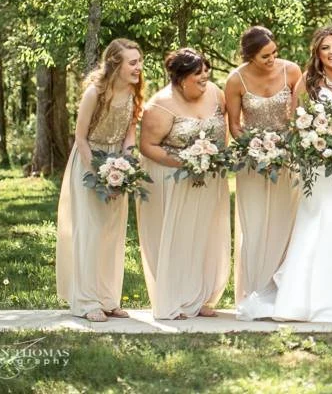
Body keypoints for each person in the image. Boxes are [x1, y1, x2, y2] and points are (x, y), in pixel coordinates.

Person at [239, 26, 332, 322]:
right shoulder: (308, 81)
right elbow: (296, 120)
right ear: (317, 53)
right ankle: (307, 297)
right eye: (325, 48)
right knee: (316, 218)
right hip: (317, 161)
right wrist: (311, 141)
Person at [137, 48, 231, 320]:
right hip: (171, 179)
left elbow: (221, 130)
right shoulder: (160, 105)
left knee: (204, 236)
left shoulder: (215, 92)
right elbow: (147, 146)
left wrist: (211, 159)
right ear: (181, 79)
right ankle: (174, 300)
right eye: (198, 75)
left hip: (209, 178)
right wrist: (186, 162)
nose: (205, 78)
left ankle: (200, 297)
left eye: (206, 73)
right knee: (177, 238)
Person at [56, 39, 144, 322]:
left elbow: (129, 135)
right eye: (133, 62)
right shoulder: (95, 92)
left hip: (118, 162)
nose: (138, 67)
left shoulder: (134, 92)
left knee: (112, 232)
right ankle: (85, 300)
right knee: (90, 232)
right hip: (88, 161)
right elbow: (80, 137)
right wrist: (98, 172)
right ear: (115, 64)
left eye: (139, 62)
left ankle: (108, 299)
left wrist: (128, 164)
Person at [225, 26, 302, 318]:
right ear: (250, 56)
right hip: (252, 162)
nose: (272, 59)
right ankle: (254, 290)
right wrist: (255, 148)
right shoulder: (235, 80)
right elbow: (234, 125)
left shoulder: (292, 72)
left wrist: (284, 146)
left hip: (287, 158)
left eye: (274, 53)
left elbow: (299, 116)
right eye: (265, 56)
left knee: (286, 221)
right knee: (255, 223)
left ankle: (283, 290)